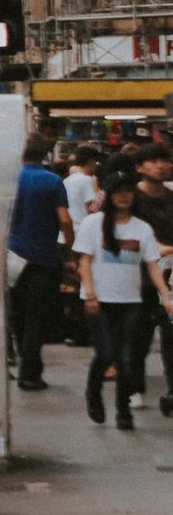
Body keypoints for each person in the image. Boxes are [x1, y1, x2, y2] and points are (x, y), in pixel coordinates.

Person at [74, 175, 173, 429]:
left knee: (128, 358)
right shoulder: (92, 224)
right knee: (107, 353)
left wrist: (166, 295)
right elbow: (84, 261)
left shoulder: (141, 228)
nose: (124, 196)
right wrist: (91, 293)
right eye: (118, 191)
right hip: (98, 302)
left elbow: (152, 265)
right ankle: (93, 392)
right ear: (109, 195)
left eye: (129, 191)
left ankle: (123, 411)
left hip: (131, 301)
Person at [7, 137, 72, 391]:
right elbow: (65, 220)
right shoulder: (53, 181)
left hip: (12, 255)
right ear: (44, 156)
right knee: (37, 317)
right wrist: (70, 251)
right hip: (43, 257)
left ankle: (24, 359)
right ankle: (29, 373)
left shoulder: (9, 179)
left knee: (18, 313)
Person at [127, 143, 173, 414]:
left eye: (164, 160)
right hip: (138, 279)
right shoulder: (130, 199)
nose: (161, 165)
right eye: (153, 161)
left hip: (170, 281)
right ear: (140, 167)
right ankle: (134, 388)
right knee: (138, 337)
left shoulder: (171, 197)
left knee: (171, 337)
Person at [63, 146, 102, 230]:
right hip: (82, 230)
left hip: (68, 230)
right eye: (96, 162)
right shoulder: (87, 180)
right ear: (91, 161)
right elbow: (91, 208)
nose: (96, 165)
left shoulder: (66, 181)